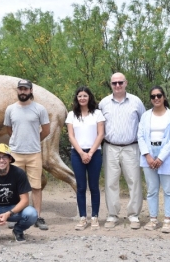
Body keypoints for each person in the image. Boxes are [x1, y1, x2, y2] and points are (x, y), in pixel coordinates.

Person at [99, 72, 145, 229]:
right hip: (110, 147)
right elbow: (99, 126)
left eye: (120, 82)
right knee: (111, 182)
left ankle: (134, 215)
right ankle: (112, 215)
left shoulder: (136, 102)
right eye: (114, 83)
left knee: (134, 181)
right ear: (110, 85)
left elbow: (143, 123)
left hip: (131, 147)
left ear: (126, 83)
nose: (117, 85)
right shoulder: (104, 103)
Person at [4, 79, 50, 230]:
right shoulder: (10, 109)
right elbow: (9, 130)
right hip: (15, 153)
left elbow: (46, 130)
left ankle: (37, 216)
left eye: (26, 89)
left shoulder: (39, 109)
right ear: (17, 91)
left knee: (36, 186)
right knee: (15, 186)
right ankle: (15, 215)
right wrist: (17, 140)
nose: (23, 91)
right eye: (20, 89)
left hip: (34, 153)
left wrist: (34, 140)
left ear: (31, 91)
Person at [137, 86, 170, 233]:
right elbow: (140, 136)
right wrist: (148, 156)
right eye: (153, 96)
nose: (156, 98)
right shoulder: (145, 116)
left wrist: (161, 157)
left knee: (168, 190)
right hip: (149, 154)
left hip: (167, 155)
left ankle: (168, 220)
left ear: (164, 97)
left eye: (159, 95)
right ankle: (153, 219)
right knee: (152, 190)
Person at [65, 86, 105, 231]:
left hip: (94, 153)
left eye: (85, 96)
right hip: (77, 153)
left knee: (94, 186)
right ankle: (83, 218)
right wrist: (82, 153)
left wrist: (90, 153)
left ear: (89, 98)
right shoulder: (71, 115)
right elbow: (71, 136)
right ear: (76, 98)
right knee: (81, 187)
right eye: (80, 96)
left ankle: (94, 217)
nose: (82, 98)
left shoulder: (98, 114)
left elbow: (100, 134)